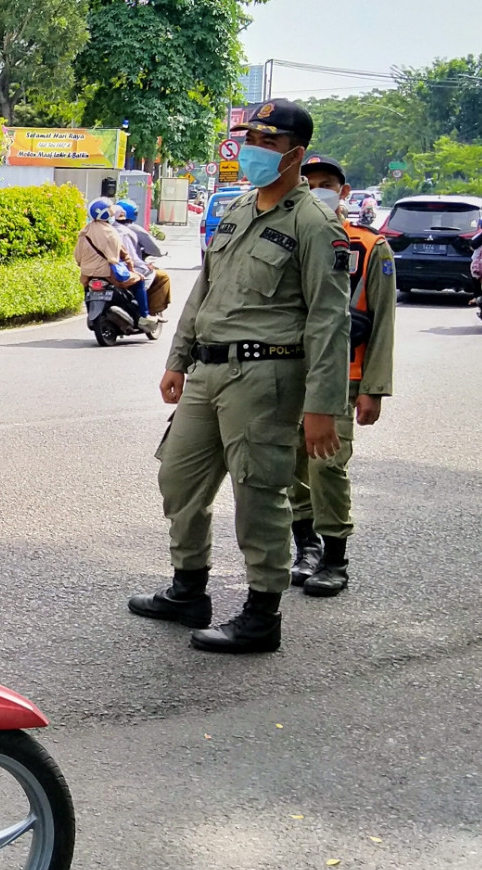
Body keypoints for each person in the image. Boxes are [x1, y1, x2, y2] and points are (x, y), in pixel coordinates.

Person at [127, 99, 351, 654]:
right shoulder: (238, 210)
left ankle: (261, 613)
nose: (252, 150)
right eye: (250, 139)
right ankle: (189, 589)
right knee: (178, 479)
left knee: (259, 494)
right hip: (208, 369)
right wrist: (178, 358)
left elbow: (330, 317)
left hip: (268, 373)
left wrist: (323, 405)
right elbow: (204, 290)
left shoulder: (315, 223)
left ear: (294, 155)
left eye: (267, 143)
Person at [287, 155, 396, 598]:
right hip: (288, 370)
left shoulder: (370, 247)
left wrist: (374, 388)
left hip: (343, 377)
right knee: (291, 463)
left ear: (344, 192)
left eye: (326, 183)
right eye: (308, 183)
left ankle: (335, 557)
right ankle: (305, 546)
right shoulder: (287, 236)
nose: (317, 190)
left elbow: (384, 320)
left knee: (327, 464)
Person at [75, 198, 154, 331]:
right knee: (140, 281)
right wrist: (132, 269)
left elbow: (77, 257)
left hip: (88, 275)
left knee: (87, 290)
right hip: (110, 274)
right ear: (107, 215)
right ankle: (144, 316)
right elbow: (123, 254)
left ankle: (91, 314)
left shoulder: (84, 232)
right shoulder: (111, 232)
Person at [116, 199, 173, 320]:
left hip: (106, 269)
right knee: (156, 277)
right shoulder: (133, 230)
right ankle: (148, 312)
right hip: (127, 267)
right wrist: (160, 253)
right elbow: (149, 250)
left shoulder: (105, 228)